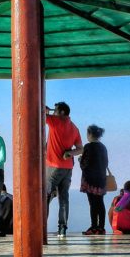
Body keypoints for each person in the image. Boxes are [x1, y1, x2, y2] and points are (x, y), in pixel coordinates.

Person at [45, 102, 83, 238]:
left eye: (56, 110)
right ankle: (62, 228)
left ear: (61, 113)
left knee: (45, 196)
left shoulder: (55, 122)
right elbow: (80, 149)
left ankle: (42, 227)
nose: (54, 112)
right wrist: (69, 153)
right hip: (68, 168)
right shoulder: (74, 128)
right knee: (64, 198)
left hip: (53, 166)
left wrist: (48, 110)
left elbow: (40, 111)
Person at [79, 124, 109, 236]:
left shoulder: (88, 146)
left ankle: (93, 227)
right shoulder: (103, 147)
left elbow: (84, 164)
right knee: (100, 203)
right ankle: (101, 228)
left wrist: (80, 160)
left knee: (92, 204)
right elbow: (106, 163)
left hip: (90, 180)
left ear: (90, 134)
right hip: (101, 180)